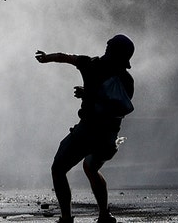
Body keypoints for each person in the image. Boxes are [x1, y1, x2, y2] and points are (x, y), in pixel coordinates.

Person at [35, 34, 135, 223]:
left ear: (109, 50)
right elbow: (121, 107)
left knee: (58, 169)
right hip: (109, 138)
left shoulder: (91, 65)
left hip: (88, 131)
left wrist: (47, 58)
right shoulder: (127, 80)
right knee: (91, 167)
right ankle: (104, 215)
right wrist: (88, 95)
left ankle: (66, 218)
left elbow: (65, 57)